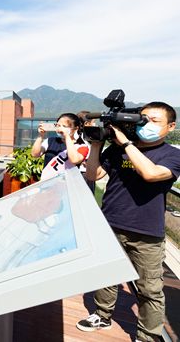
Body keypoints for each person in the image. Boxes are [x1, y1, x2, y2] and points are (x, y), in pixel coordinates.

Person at [76, 102, 180, 342]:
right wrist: (96, 145)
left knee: (149, 289)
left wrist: (125, 142)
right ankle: (102, 315)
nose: (146, 125)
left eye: (155, 121)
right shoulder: (116, 150)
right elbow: (93, 175)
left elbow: (151, 174)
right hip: (111, 222)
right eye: (143, 119)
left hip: (146, 232)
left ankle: (148, 336)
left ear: (171, 126)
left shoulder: (172, 155)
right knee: (106, 275)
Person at [30, 113, 89, 181]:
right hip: (47, 183)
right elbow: (35, 154)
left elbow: (74, 160)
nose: (60, 129)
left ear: (75, 129)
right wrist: (41, 136)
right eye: (58, 125)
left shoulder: (82, 146)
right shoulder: (50, 141)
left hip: (67, 183)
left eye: (64, 126)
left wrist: (67, 136)